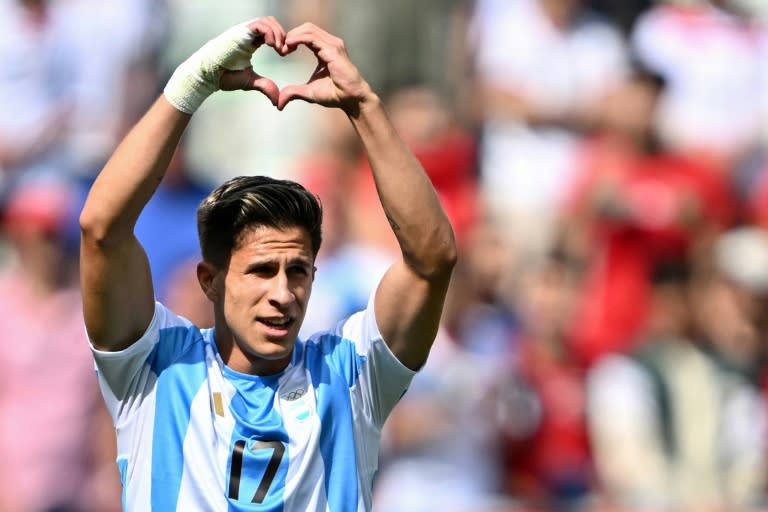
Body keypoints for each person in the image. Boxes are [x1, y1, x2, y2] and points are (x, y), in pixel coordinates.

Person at [78, 15, 457, 512]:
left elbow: (432, 258)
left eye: (297, 271)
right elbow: (101, 230)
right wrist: (192, 85)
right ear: (209, 281)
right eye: (261, 271)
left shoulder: (349, 377)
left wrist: (363, 107)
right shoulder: (156, 370)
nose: (283, 293)